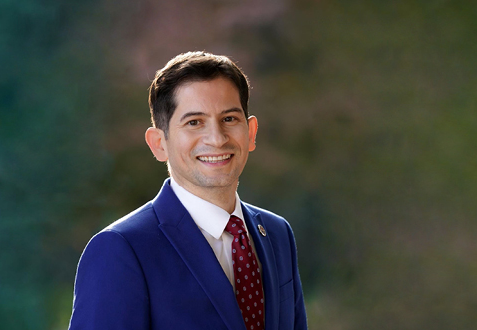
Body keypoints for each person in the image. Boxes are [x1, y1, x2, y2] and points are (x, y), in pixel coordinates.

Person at [68, 51, 308, 330]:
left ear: (251, 132)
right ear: (159, 143)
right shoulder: (120, 250)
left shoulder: (278, 234)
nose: (217, 139)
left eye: (229, 119)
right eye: (194, 122)